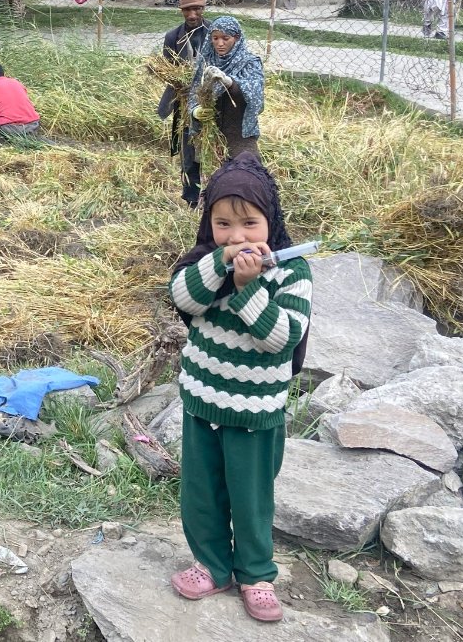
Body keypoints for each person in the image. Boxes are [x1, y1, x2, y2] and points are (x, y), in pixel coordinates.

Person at [167, 152, 313, 624]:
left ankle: (256, 573)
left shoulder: (291, 273)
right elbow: (183, 298)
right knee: (201, 492)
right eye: (223, 223)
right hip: (202, 401)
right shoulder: (205, 264)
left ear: (270, 221)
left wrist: (250, 288)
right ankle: (212, 565)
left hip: (255, 411)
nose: (237, 236)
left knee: (251, 497)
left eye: (249, 223)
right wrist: (221, 264)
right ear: (209, 224)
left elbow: (280, 339)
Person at [182, 16, 265, 208]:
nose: (220, 43)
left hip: (239, 134)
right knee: (215, 179)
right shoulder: (206, 62)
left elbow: (256, 94)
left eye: (225, 38)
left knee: (247, 173)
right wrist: (196, 110)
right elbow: (194, 91)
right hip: (212, 134)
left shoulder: (249, 62)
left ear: (236, 38)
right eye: (215, 38)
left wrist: (231, 83)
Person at [157, 0, 212, 161]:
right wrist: (181, 82)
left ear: (203, 7)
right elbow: (169, 71)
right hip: (184, 103)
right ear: (181, 10)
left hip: (211, 103)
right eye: (186, 9)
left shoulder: (214, 33)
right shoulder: (173, 37)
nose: (192, 14)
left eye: (196, 9)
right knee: (188, 156)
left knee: (211, 154)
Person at [0, 62, 41, 140]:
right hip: (33, 124)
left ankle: (7, 138)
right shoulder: (17, 83)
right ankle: (28, 135)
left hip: (12, 129)